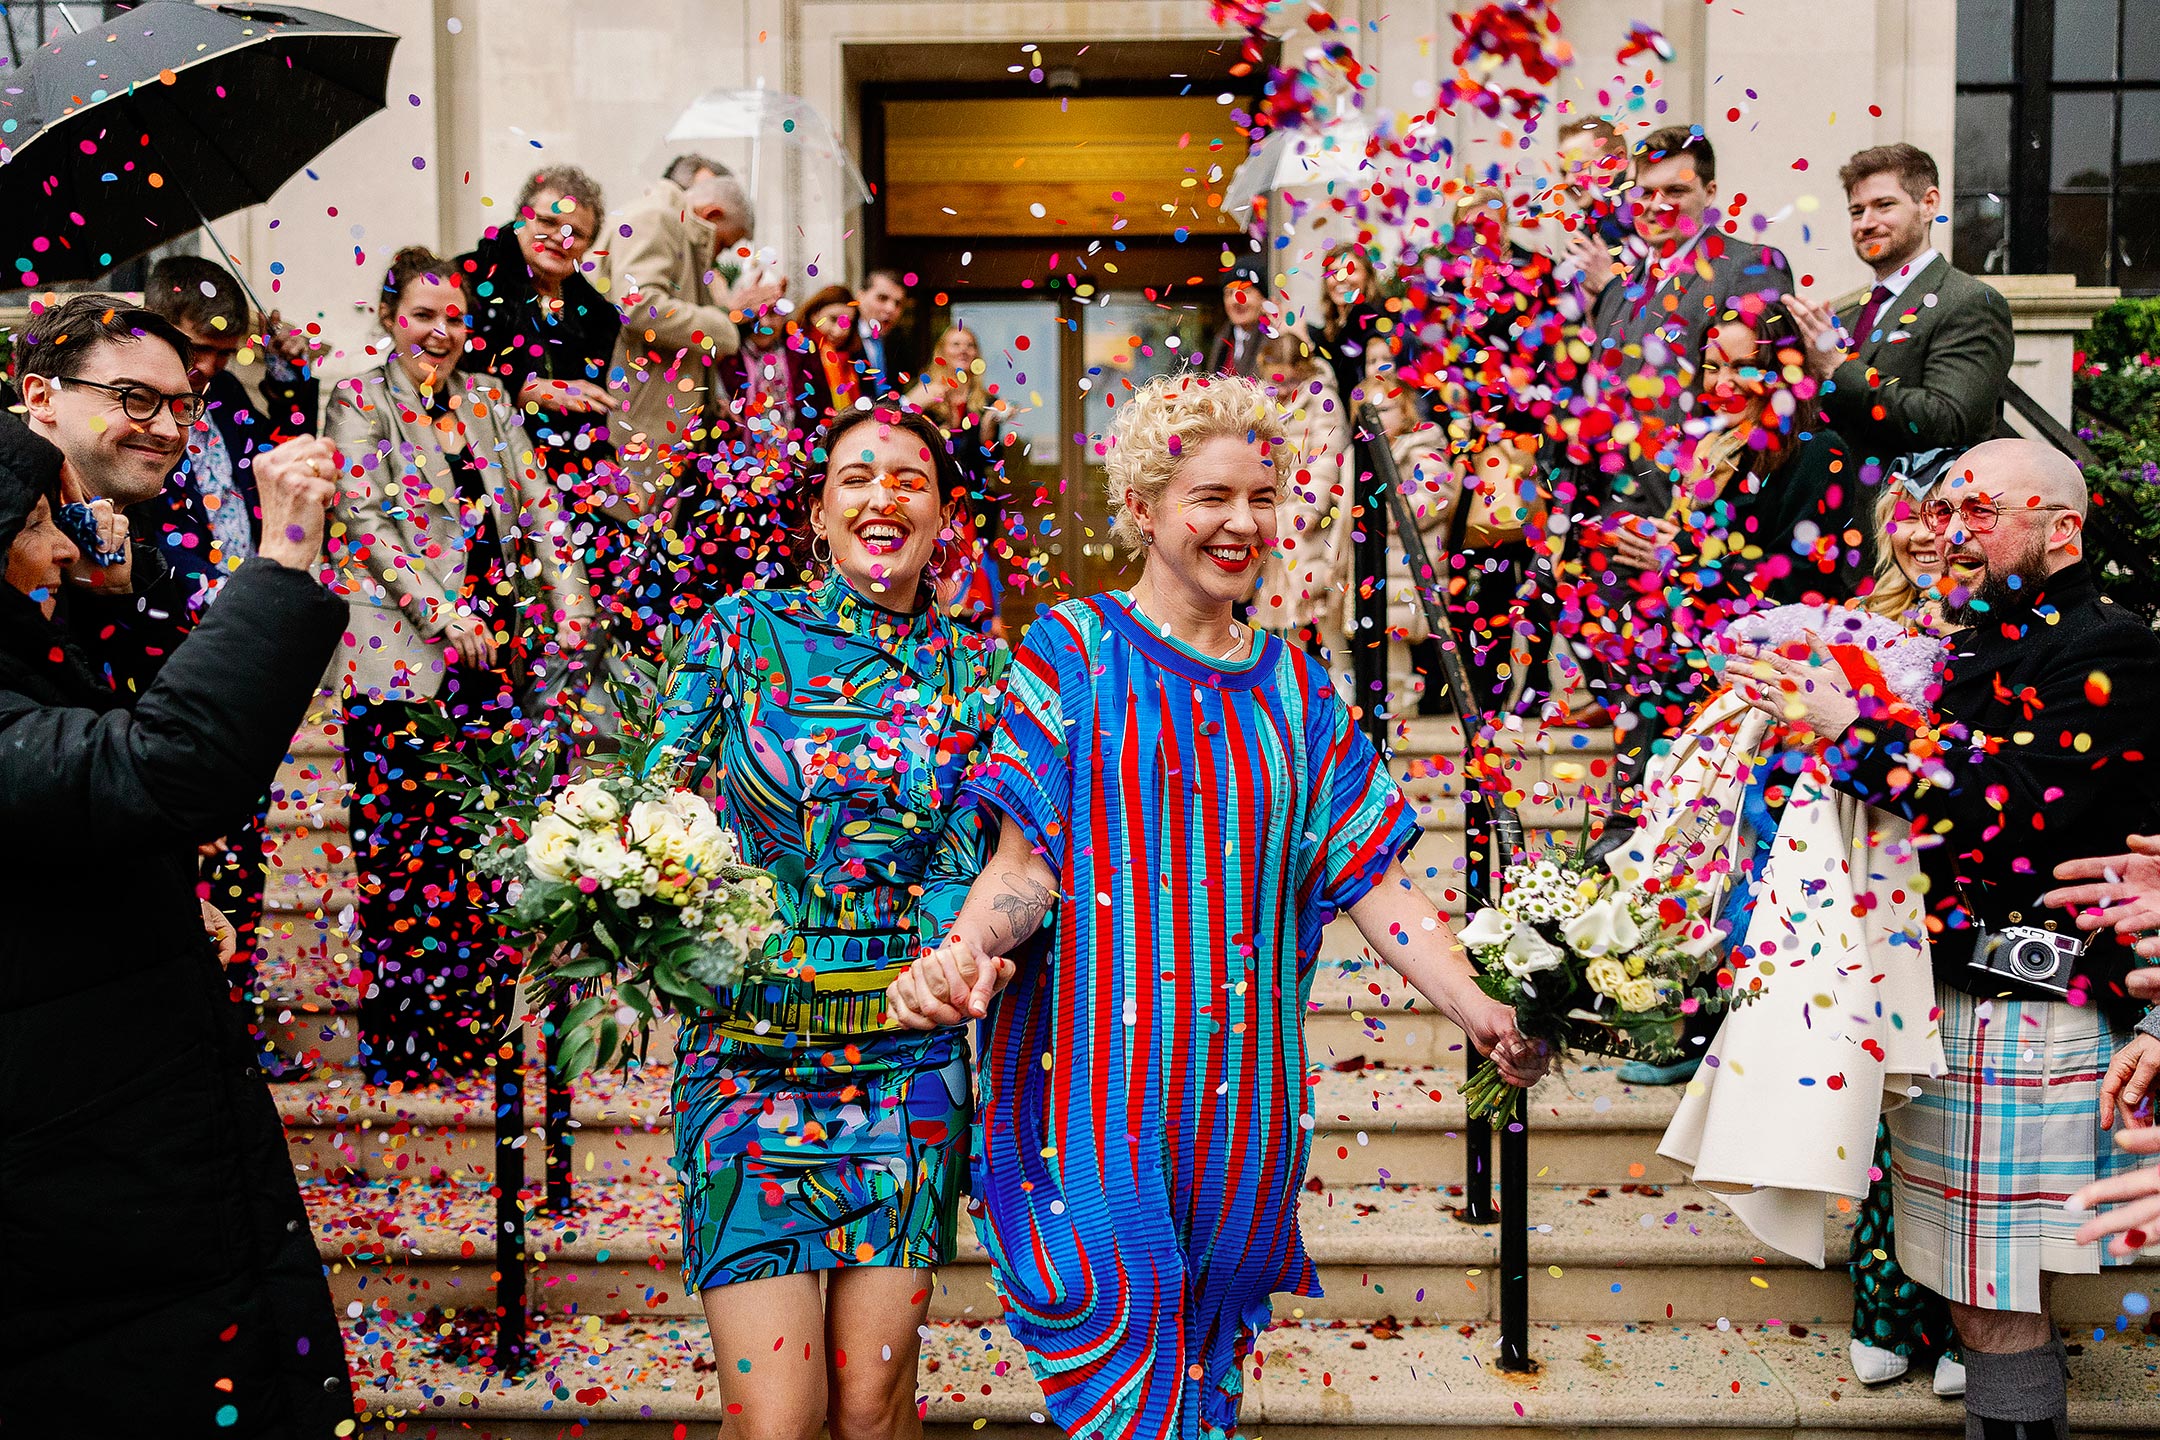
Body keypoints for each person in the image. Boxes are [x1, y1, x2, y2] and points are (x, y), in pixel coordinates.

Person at [882, 372, 1544, 1440]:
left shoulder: (1300, 688)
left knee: (1200, 1372)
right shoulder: (1073, 651)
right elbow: (1022, 866)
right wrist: (963, 952)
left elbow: (1374, 877)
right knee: (1122, 1349)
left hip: (1245, 1106)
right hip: (1092, 1098)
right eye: (1210, 496)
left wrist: (1480, 1010)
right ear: (1144, 507)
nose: (1242, 522)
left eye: (1263, 498)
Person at [1729, 438, 2160, 1440]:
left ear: (2063, 528)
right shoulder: (1955, 643)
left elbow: (2008, 812)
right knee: (1977, 1294)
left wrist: (1853, 730)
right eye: (1941, 513)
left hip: (2029, 1007)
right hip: (1946, 994)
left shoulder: (2109, 644)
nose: (1949, 533)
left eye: (1980, 513)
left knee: (1992, 1299)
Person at [0, 408, 355, 1435]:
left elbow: (95, 754)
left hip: (127, 1137)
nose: (64, 546)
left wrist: (115, 603)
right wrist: (283, 558)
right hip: (75, 1196)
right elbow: (164, 766)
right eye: (34, 524)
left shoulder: (48, 627)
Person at [654, 407, 1006, 1440]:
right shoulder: (737, 633)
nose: (883, 496)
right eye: (857, 477)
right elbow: (651, 805)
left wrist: (961, 963)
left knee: (870, 1402)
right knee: (777, 1418)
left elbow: (981, 862)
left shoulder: (982, 674)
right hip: (748, 1054)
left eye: (910, 479)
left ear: (945, 516)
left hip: (907, 1059)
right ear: (819, 511)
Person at [323, 247, 594, 1086]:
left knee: (481, 856)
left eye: (455, 317)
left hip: (497, 665)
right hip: (404, 665)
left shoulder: (486, 400)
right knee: (403, 859)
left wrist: (573, 605)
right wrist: (443, 611)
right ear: (389, 317)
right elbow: (366, 521)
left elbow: (543, 508)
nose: (440, 332)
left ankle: (474, 1036)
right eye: (423, 315)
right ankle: (403, 1050)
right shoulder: (357, 398)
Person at [140, 254, 328, 1042]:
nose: (212, 367)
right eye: (196, 349)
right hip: (176, 649)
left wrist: (288, 361)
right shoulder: (146, 427)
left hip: (241, 637)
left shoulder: (233, 409)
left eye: (225, 353)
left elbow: (290, 436)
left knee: (239, 835)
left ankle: (236, 1013)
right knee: (177, 845)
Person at [1578, 125, 1795, 791]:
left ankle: (1665, 858)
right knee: (1629, 714)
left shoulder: (1750, 264)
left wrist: (1695, 531)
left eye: (1676, 190)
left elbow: (1761, 401)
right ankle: (1628, 849)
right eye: (1646, 192)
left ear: (1710, 192)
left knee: (1695, 722)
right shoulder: (1620, 285)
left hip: (1695, 536)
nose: (1658, 204)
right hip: (1615, 532)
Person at [1787, 145, 2014, 469]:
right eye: (1856, 211)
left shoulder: (1969, 302)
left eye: (1884, 206)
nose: (1866, 223)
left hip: (1911, 514)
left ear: (1928, 204)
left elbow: (1950, 422)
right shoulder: (1848, 317)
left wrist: (1838, 368)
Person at [605, 155, 783, 523]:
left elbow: (677, 332)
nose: (720, 253)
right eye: (725, 244)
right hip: (640, 427)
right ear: (712, 213)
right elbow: (638, 307)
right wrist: (728, 320)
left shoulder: (677, 229)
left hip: (663, 430)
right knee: (629, 555)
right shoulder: (654, 218)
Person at [457, 163, 622, 483]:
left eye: (577, 233)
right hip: (486, 471)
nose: (560, 238)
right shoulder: (467, 280)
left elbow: (589, 406)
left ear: (588, 245)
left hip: (568, 482)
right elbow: (446, 374)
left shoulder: (596, 313)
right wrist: (524, 389)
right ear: (522, 217)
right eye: (548, 221)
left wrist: (606, 468)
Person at [904, 323, 1010, 627]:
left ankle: (982, 631)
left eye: (970, 345)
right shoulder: (925, 394)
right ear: (942, 353)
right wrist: (914, 405)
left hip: (974, 505)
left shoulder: (986, 401)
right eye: (955, 344)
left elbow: (991, 461)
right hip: (934, 500)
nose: (963, 350)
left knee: (977, 574)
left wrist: (989, 431)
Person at [800, 283, 866, 414]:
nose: (839, 331)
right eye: (833, 319)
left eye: (847, 323)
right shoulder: (799, 352)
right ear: (814, 314)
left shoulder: (849, 358)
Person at [1201, 262, 1270, 378]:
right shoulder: (1221, 340)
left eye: (1246, 291)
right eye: (1229, 293)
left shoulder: (1276, 338)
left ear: (1263, 299)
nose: (1236, 300)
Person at [856, 267, 910, 395]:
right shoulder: (843, 338)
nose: (891, 308)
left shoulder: (897, 342)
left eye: (898, 303)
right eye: (882, 298)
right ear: (860, 297)